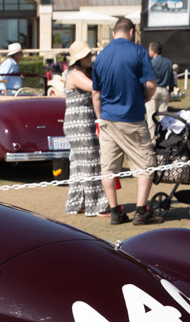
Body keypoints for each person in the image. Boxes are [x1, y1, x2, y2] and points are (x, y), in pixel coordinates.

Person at [91, 17, 163, 226]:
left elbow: (96, 94)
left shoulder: (101, 56)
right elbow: (150, 83)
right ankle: (141, 211)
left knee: (108, 168)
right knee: (145, 163)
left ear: (114, 33)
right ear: (131, 32)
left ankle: (114, 211)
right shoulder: (139, 51)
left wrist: (99, 118)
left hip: (107, 119)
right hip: (132, 118)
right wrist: (147, 97)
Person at [63, 40, 110, 218]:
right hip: (79, 124)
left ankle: (78, 203)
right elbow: (95, 88)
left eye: (89, 54)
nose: (89, 58)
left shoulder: (81, 72)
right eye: (85, 56)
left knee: (78, 166)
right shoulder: (75, 74)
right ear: (77, 59)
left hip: (82, 123)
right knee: (91, 164)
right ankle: (96, 206)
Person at [146, 42, 173, 136]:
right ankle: (163, 135)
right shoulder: (168, 62)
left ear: (153, 51)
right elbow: (171, 78)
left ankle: (152, 137)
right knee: (164, 116)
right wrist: (170, 92)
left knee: (150, 115)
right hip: (164, 90)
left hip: (153, 90)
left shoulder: (150, 63)